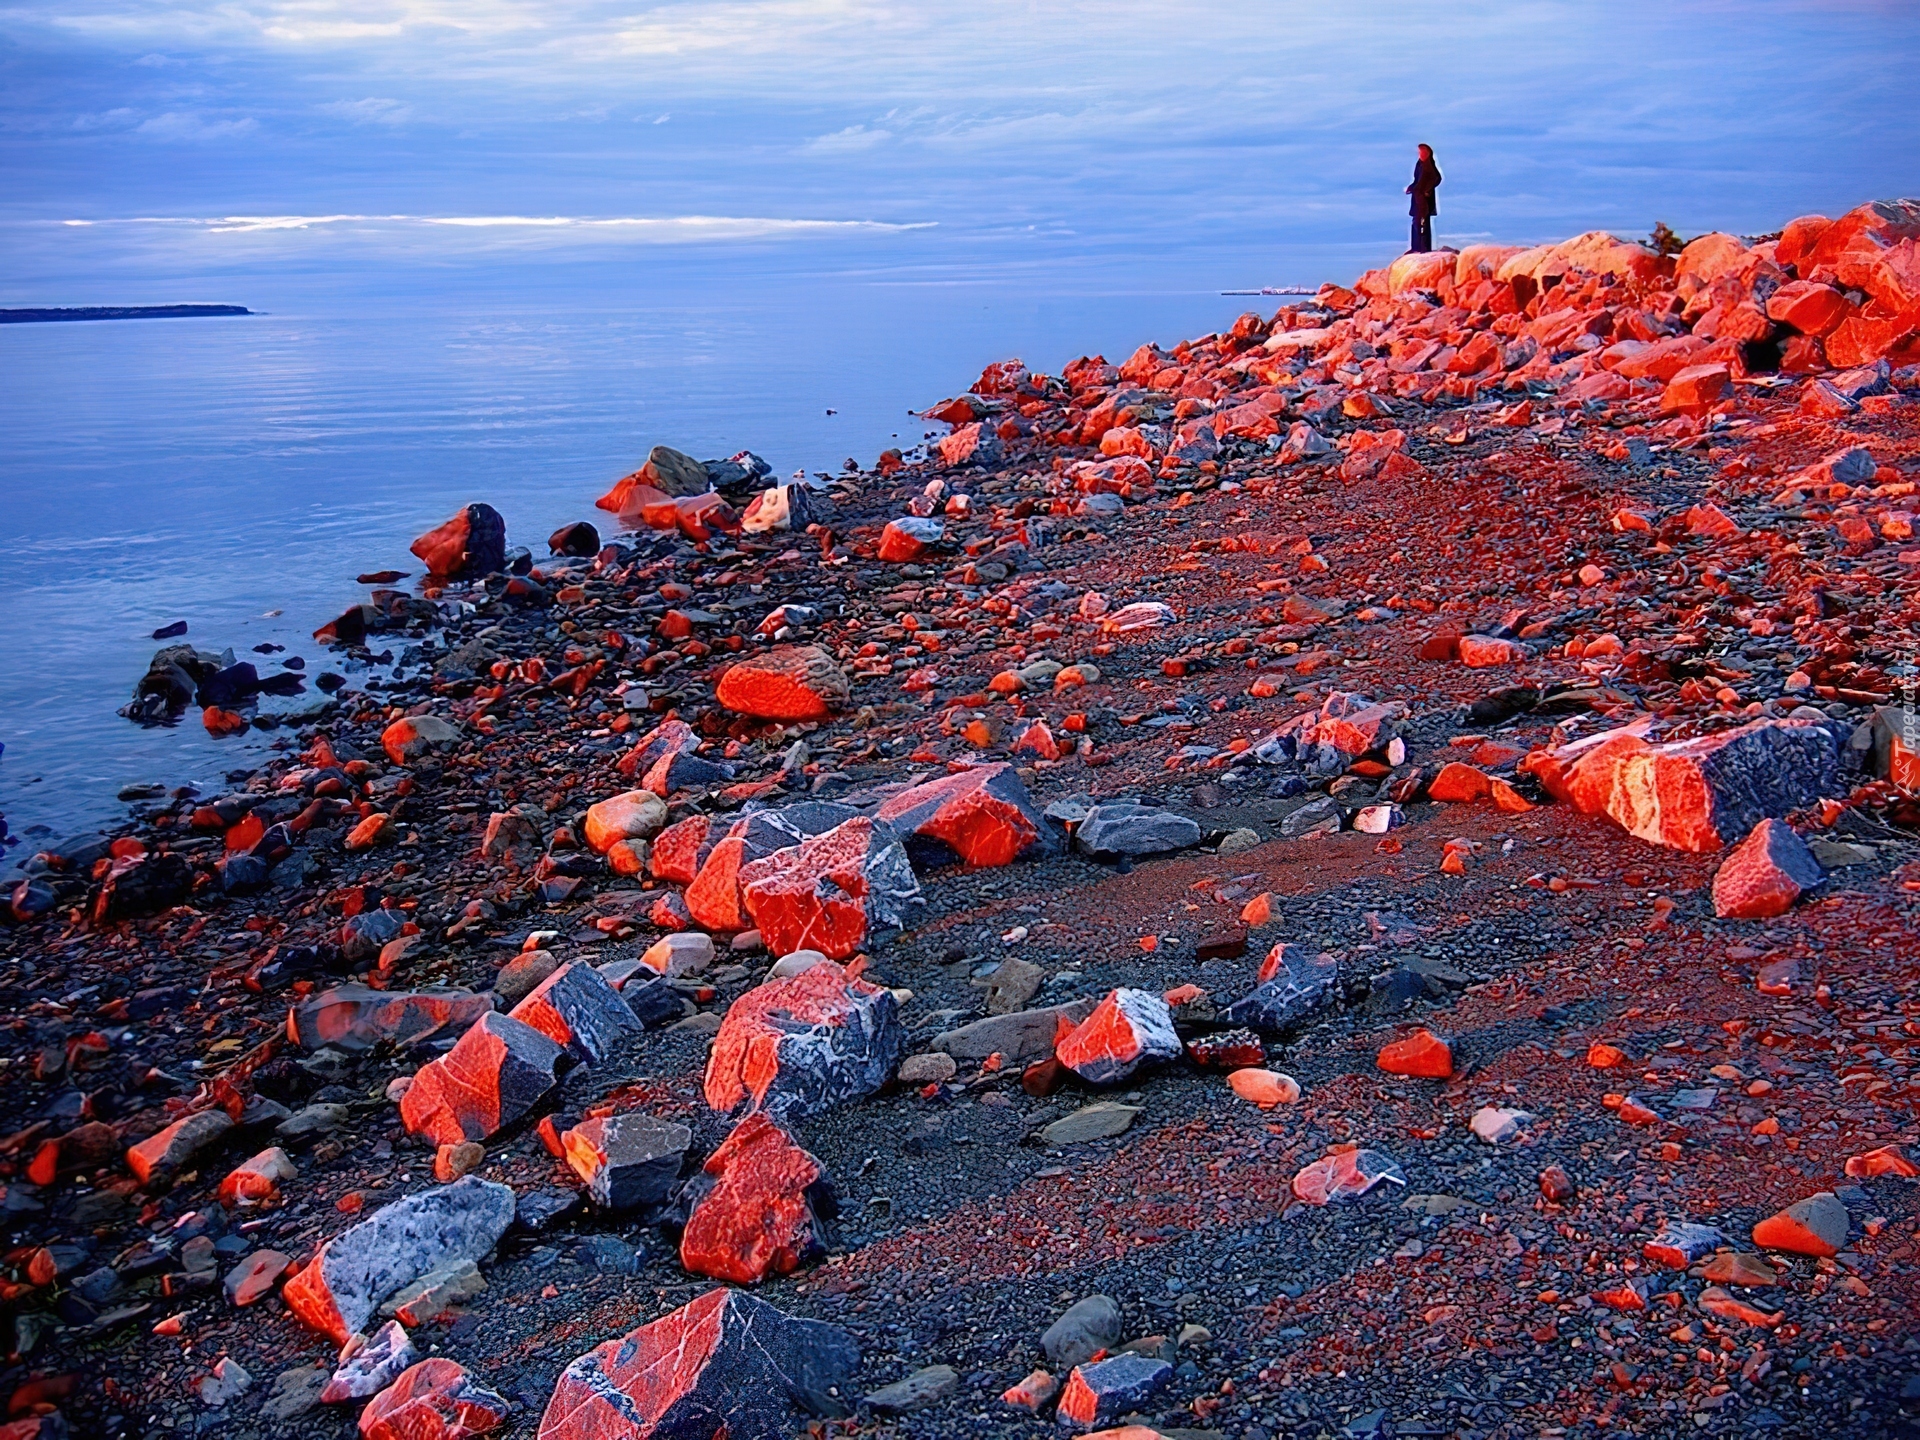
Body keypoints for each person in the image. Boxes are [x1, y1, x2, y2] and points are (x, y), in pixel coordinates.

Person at [1406, 144, 1441, 253]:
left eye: (1421, 152)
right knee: (1416, 222)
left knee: (1423, 223)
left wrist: (1427, 190)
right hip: (1417, 197)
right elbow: (1417, 180)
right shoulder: (1420, 164)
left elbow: (1437, 178)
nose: (1419, 154)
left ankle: (1424, 249)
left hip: (1424, 200)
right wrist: (1411, 187)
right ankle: (1415, 247)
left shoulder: (1429, 164)